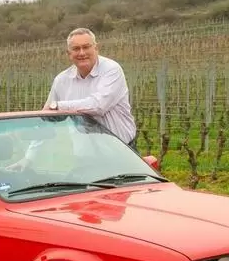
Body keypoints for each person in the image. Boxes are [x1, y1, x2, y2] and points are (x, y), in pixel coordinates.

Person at [8, 28, 138, 171]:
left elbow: (99, 106)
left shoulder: (112, 70)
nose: (81, 53)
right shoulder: (61, 80)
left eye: (86, 47)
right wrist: (29, 158)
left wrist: (58, 106)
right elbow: (46, 119)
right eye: (76, 49)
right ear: (69, 54)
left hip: (121, 154)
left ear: (96, 48)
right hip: (85, 159)